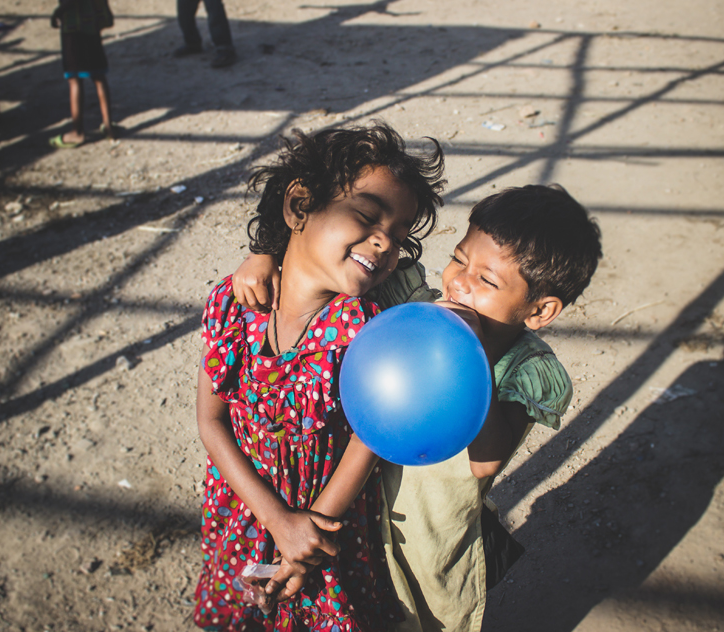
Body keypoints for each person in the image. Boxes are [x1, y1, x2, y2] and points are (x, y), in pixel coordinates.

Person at [233, 184, 603, 632]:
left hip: (429, 543)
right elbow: (337, 264)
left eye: (487, 281)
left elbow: (486, 463)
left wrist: (472, 355)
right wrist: (265, 254)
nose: (460, 283)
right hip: (355, 517)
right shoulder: (412, 304)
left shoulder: (524, 370)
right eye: (460, 259)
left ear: (540, 310)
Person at [194, 122, 447, 630]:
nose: (383, 243)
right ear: (298, 206)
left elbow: (369, 437)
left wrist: (303, 534)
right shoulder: (230, 303)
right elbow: (210, 422)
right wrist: (274, 519)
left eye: (398, 236)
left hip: (326, 524)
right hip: (244, 508)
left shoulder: (367, 331)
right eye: (367, 216)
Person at [48, 0, 120, 148]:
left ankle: (77, 131)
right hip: (92, 24)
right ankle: (108, 124)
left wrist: (59, 10)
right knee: (99, 75)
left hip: (73, 26)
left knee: (74, 79)